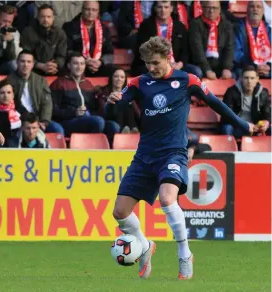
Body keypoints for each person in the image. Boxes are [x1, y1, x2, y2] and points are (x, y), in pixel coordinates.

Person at [106, 36, 254, 280]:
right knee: (120, 212)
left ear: (168, 58)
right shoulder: (139, 82)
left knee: (167, 198)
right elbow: (117, 108)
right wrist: (114, 101)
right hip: (144, 155)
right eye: (146, 63)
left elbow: (216, 104)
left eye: (154, 62)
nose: (150, 68)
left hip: (173, 152)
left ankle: (184, 253)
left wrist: (240, 124)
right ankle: (144, 245)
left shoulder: (187, 80)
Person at [221, 65, 271, 137]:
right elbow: (227, 116)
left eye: (252, 78)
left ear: (257, 79)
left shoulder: (263, 93)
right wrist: (245, 125)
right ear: (241, 79)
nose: (249, 81)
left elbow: (267, 114)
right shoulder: (231, 91)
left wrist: (266, 122)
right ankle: (230, 147)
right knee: (227, 128)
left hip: (255, 127)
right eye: (246, 78)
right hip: (237, 126)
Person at [96, 67, 139, 133]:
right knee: (119, 102)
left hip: (127, 122)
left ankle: (132, 129)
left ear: (125, 80)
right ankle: (124, 130)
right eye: (116, 76)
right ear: (111, 78)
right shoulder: (103, 93)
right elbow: (103, 111)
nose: (119, 79)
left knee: (128, 105)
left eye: (122, 77)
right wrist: (110, 101)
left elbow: (137, 112)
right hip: (109, 119)